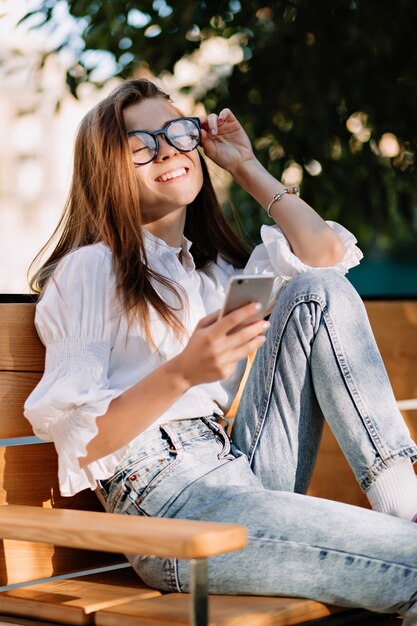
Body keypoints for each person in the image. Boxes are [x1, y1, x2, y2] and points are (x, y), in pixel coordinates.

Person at [24, 78, 417, 622]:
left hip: (241, 470)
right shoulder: (91, 270)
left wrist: (247, 167)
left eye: (177, 132)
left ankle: (406, 504)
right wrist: (183, 372)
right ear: (107, 170)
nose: (167, 149)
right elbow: (81, 442)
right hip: (171, 509)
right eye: (141, 144)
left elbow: (325, 257)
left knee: (316, 290)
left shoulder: (213, 272)